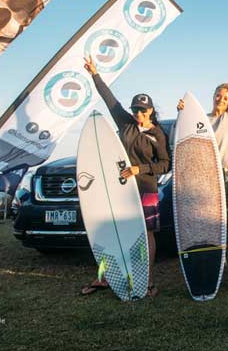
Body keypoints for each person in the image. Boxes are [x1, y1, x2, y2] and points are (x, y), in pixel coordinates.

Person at [80, 55, 170, 297]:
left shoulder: (158, 134)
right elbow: (110, 101)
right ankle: (105, 277)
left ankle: (148, 281)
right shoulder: (126, 124)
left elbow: (165, 164)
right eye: (135, 110)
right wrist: (94, 74)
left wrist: (141, 169)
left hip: (146, 188)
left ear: (150, 110)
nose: (138, 113)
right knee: (114, 232)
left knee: (147, 234)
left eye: (142, 110)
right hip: (121, 189)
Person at [176, 33, 228, 292]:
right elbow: (184, 142)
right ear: (212, 97)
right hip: (211, 178)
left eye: (225, 97)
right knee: (212, 225)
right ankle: (215, 269)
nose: (220, 99)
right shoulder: (204, 122)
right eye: (217, 96)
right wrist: (182, 115)